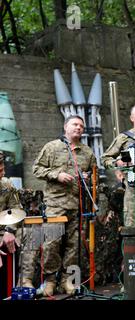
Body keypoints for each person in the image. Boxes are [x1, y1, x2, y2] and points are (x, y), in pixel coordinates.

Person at [33, 115, 97, 296]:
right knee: (51, 244)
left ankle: (67, 281)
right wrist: (57, 175)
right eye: (75, 124)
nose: (79, 128)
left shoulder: (87, 152)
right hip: (55, 205)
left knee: (73, 245)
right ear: (65, 127)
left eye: (81, 126)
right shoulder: (52, 147)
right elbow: (37, 169)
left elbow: (94, 178)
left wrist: (88, 178)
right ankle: (50, 281)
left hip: (77, 206)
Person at [0, 152, 20, 269]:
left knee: (27, 235)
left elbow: (16, 209)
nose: (3, 174)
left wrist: (9, 230)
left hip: (3, 231)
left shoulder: (7, 185)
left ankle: (22, 282)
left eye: (3, 169)